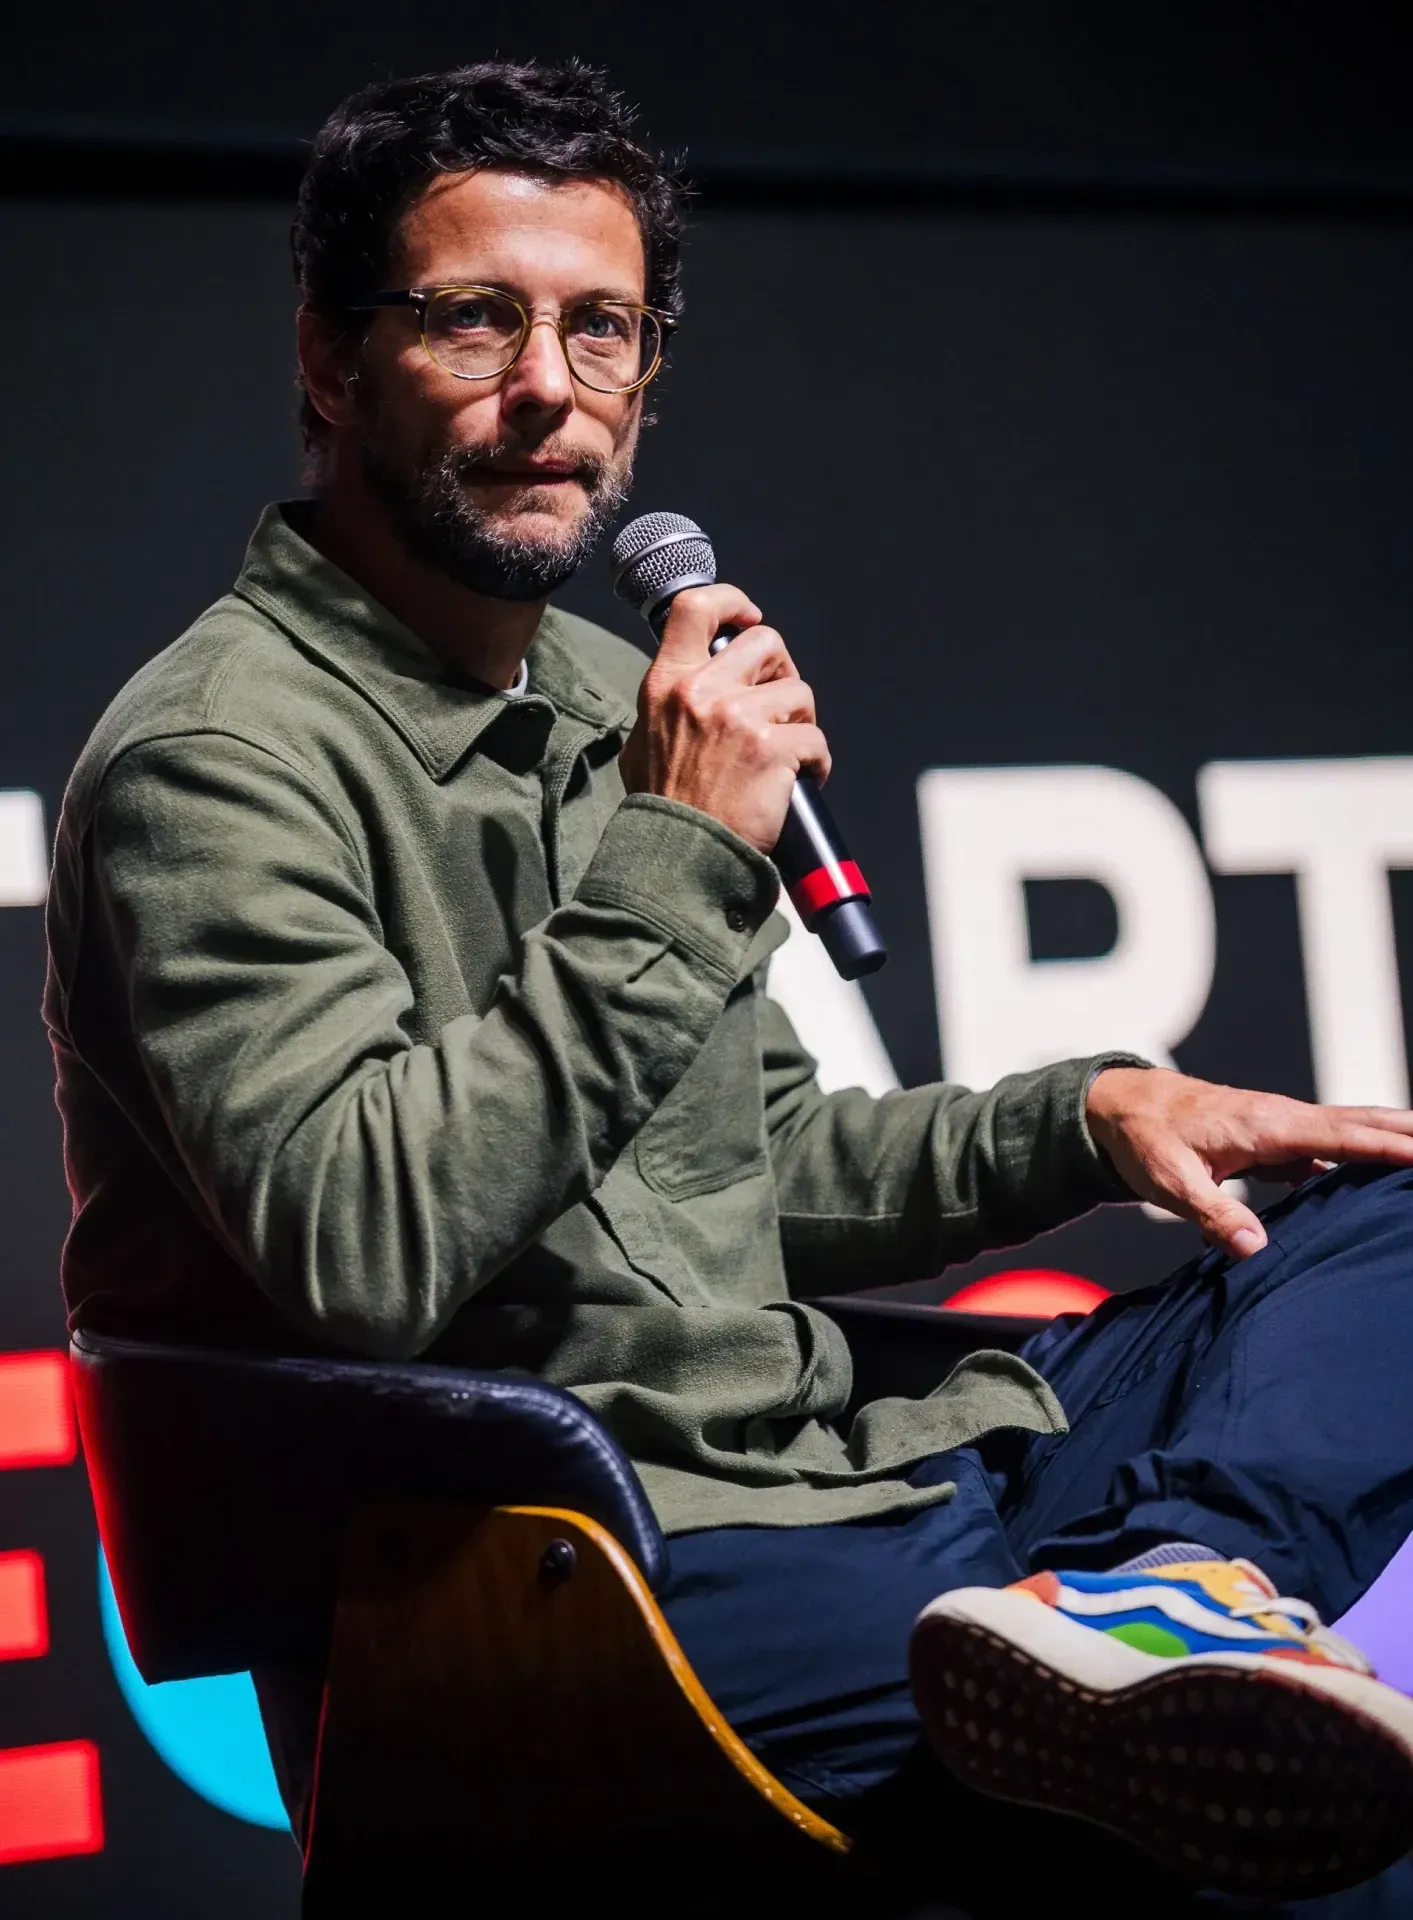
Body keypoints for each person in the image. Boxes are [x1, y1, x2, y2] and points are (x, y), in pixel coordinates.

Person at [42, 59, 1413, 1911]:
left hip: (849, 1468)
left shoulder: (614, 693)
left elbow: (756, 1171)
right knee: (1299, 1850)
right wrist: (683, 847)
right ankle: (1148, 1656)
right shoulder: (216, 758)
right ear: (330, 359)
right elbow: (362, 1243)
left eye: (600, 329)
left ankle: (1170, 1591)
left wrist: (1095, 1116)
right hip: (589, 1560)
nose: (550, 386)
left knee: (1387, 1228)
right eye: (474, 318)